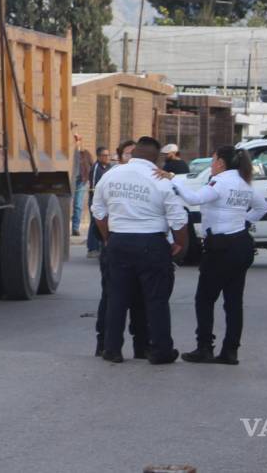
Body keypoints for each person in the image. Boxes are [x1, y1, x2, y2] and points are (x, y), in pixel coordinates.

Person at [162, 145, 267, 365]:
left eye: (213, 160)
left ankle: (204, 348)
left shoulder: (220, 182)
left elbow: (192, 199)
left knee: (204, 299)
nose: (212, 165)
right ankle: (230, 351)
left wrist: (173, 178)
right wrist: (243, 222)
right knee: (233, 302)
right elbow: (262, 207)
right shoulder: (244, 183)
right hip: (241, 243)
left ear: (221, 162)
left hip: (221, 247)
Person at [92, 136, 188, 365]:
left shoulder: (111, 175)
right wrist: (179, 245)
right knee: (156, 299)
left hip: (119, 242)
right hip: (151, 243)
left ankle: (112, 349)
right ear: (156, 158)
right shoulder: (160, 179)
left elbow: (98, 211)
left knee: (117, 298)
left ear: (135, 154)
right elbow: (179, 219)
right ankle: (161, 351)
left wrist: (108, 238)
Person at [86, 146, 111, 259]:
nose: (107, 157)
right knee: (94, 223)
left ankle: (102, 247)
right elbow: (94, 186)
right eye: (104, 155)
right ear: (99, 157)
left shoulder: (109, 167)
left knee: (104, 223)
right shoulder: (96, 167)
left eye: (108, 155)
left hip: (107, 201)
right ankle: (92, 249)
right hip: (96, 201)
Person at [71, 135, 92, 236]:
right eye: (76, 140)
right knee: (69, 203)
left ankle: (75, 228)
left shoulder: (86, 153)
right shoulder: (70, 153)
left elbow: (92, 166)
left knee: (78, 205)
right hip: (71, 180)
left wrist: (89, 179)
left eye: (79, 140)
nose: (77, 142)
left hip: (81, 181)